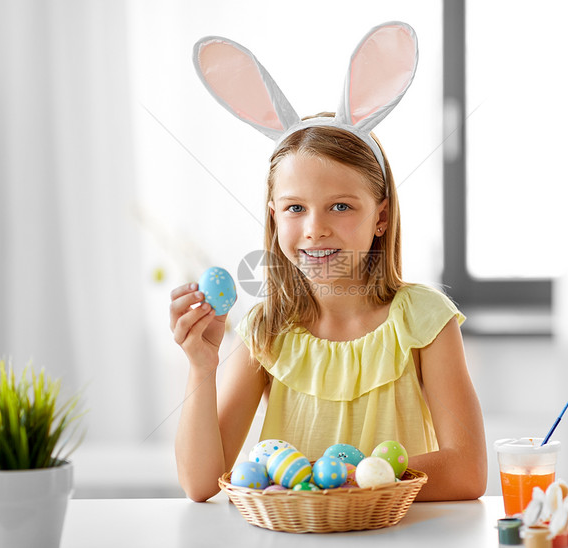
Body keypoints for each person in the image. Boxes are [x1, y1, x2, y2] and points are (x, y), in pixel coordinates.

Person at [171, 22, 486, 503]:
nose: (315, 228)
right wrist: (200, 365)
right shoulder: (267, 328)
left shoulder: (424, 319)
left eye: (341, 206)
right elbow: (199, 482)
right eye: (296, 208)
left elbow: (467, 471)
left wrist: (345, 481)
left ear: (380, 217)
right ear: (274, 217)